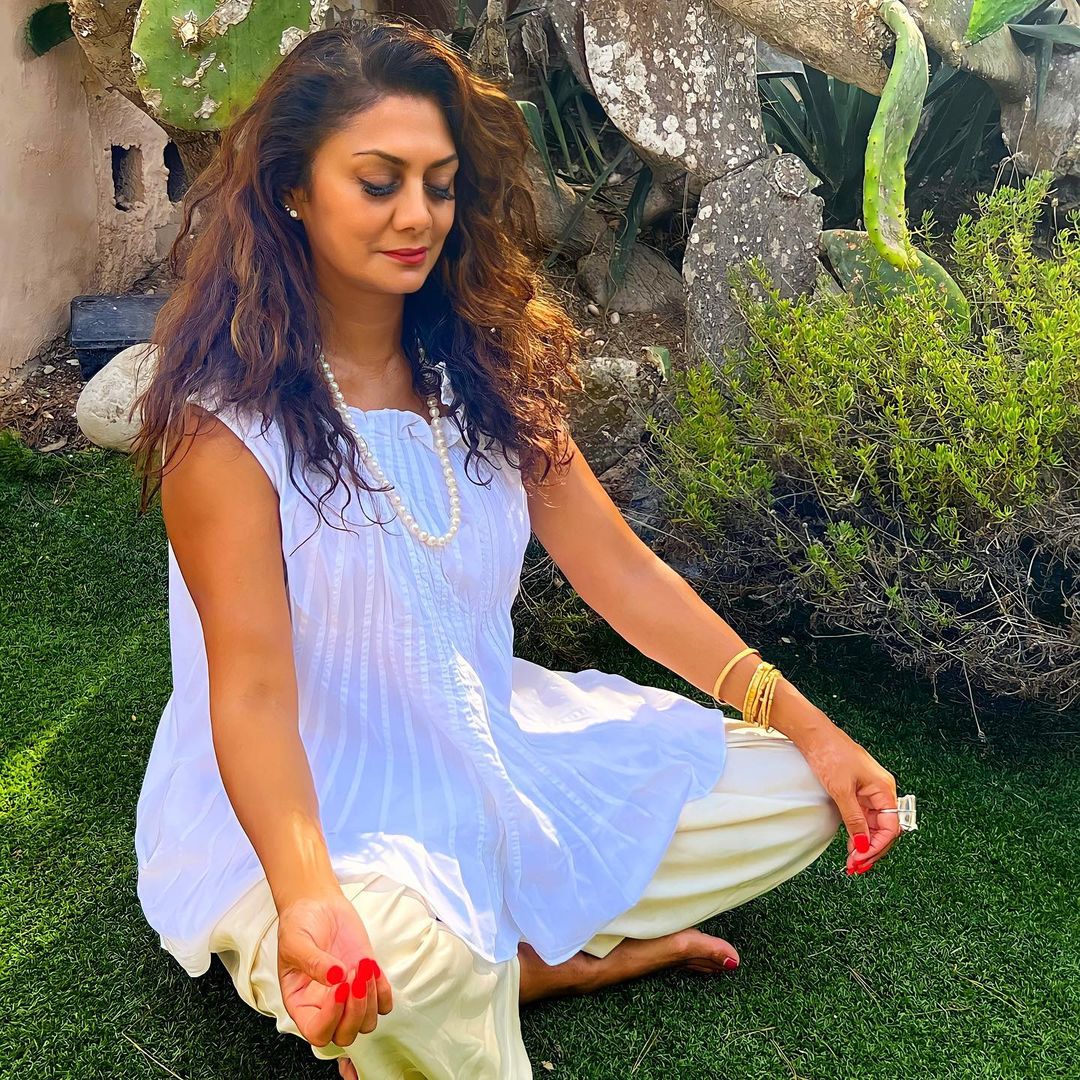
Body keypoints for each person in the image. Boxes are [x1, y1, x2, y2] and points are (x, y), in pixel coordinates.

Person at [130, 17, 902, 1079]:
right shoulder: (227, 434)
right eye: (378, 182)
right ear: (293, 190)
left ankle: (503, 957)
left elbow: (620, 573)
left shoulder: (486, 376)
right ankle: (506, 964)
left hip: (489, 748)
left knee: (805, 796)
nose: (417, 216)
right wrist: (309, 895)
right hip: (315, 811)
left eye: (440, 185)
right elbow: (253, 695)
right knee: (402, 962)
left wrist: (810, 727)